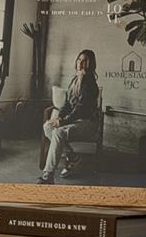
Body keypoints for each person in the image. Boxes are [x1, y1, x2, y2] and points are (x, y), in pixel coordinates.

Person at [41, 48, 102, 183]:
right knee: (47, 126)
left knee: (58, 133)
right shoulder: (75, 80)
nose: (81, 63)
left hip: (87, 123)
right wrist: (58, 118)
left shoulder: (90, 84)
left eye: (85, 61)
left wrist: (62, 121)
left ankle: (48, 175)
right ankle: (72, 155)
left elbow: (81, 109)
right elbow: (67, 104)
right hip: (75, 121)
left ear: (90, 64)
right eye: (79, 59)